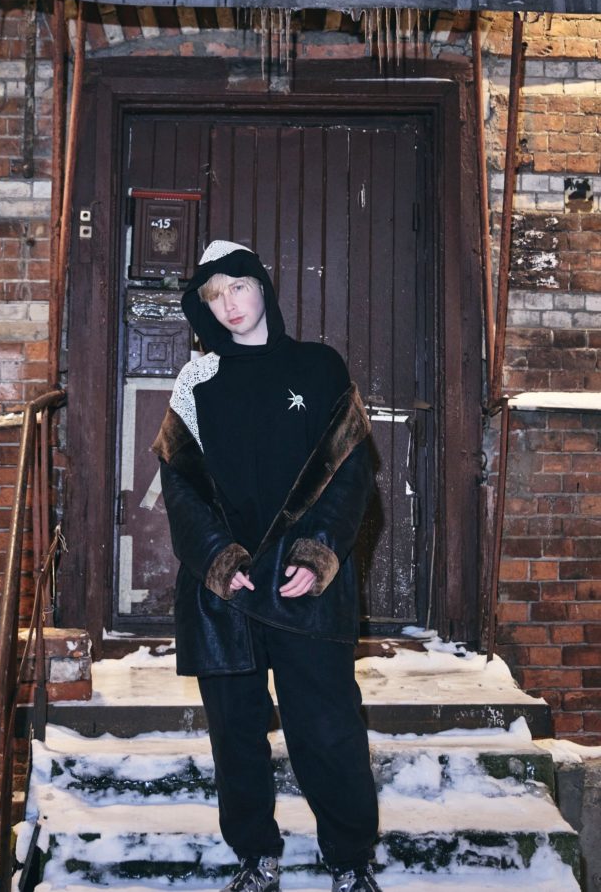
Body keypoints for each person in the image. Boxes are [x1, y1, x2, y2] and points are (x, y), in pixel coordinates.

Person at [152, 240, 380, 892]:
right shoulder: (195, 383)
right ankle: (256, 858)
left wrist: (318, 552)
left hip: (305, 584)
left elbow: (351, 473)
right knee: (236, 735)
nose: (229, 304)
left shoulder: (318, 367)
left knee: (328, 728)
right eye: (213, 295)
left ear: (261, 287)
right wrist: (218, 560)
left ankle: (350, 861)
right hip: (225, 590)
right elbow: (181, 487)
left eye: (238, 287)